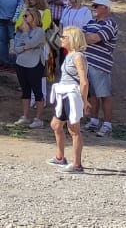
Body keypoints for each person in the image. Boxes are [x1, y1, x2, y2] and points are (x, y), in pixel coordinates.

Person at [48, 26, 90, 173]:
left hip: (72, 95)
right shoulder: (69, 55)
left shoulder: (78, 56)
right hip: (63, 94)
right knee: (56, 125)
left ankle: (77, 164)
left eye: (64, 37)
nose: (61, 38)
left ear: (72, 39)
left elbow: (84, 81)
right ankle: (60, 157)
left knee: (74, 130)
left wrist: (84, 100)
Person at [81, 0, 120, 137]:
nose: (93, 8)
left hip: (100, 64)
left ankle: (108, 124)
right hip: (87, 62)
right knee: (92, 94)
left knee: (104, 94)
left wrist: (86, 37)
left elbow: (94, 38)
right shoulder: (91, 22)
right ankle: (94, 121)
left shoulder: (110, 23)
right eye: (93, 5)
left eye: (96, 6)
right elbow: (81, 37)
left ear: (105, 8)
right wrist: (86, 37)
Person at [11, 6, 48, 128]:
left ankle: (38, 119)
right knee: (25, 90)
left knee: (37, 90)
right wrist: (25, 46)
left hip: (34, 63)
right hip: (21, 62)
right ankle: (25, 116)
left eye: (26, 16)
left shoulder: (39, 31)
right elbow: (17, 47)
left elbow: (31, 43)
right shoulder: (23, 30)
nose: (24, 18)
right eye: (23, 16)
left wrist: (26, 38)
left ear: (34, 17)